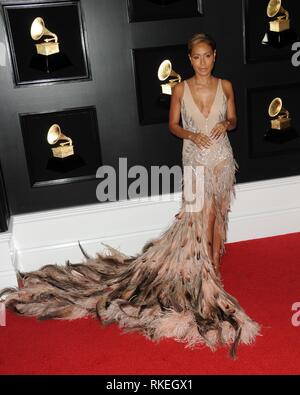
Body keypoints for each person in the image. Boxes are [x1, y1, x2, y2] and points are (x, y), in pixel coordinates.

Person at [0, 33, 260, 359]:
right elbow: (173, 126)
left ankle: (210, 269)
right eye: (196, 57)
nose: (202, 62)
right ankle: (205, 276)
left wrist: (226, 122)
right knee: (199, 218)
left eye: (207, 56)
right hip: (195, 161)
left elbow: (234, 119)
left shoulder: (226, 86)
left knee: (216, 216)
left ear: (215, 55)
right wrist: (192, 133)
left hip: (222, 160)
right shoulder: (181, 88)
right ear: (189, 59)